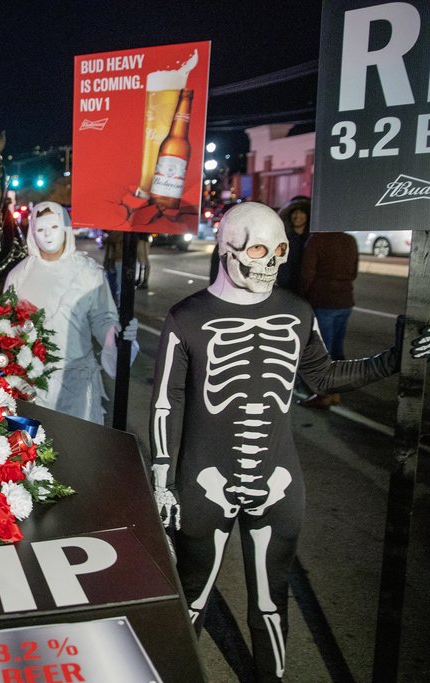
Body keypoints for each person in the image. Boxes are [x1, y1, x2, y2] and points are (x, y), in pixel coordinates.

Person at [149, 202, 412, 682]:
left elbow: (324, 374)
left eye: (279, 252)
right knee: (194, 596)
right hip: (205, 481)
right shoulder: (186, 317)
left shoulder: (295, 312)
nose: (269, 263)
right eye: (256, 250)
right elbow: (168, 401)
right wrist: (162, 479)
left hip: (278, 481)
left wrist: (395, 358)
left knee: (272, 599)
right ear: (226, 249)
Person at [5, 201, 137, 424]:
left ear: (66, 228)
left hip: (76, 386)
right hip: (31, 387)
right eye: (40, 229)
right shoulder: (19, 276)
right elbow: (5, 327)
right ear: (32, 232)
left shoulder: (88, 273)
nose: (47, 235)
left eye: (54, 227)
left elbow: (103, 318)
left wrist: (117, 334)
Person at [298, 231, 360, 408]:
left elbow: (307, 273)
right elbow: (354, 271)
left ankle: (323, 394)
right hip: (345, 300)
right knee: (337, 350)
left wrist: (302, 297)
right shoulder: (349, 240)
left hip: (324, 300)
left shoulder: (317, 240)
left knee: (323, 352)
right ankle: (336, 392)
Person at [275, 196, 310, 293]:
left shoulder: (312, 239)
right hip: (285, 288)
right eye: (295, 212)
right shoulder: (283, 238)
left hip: (306, 289)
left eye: (302, 212)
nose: (297, 216)